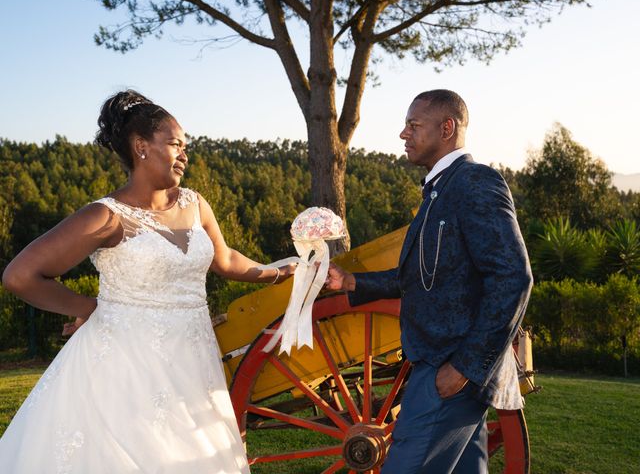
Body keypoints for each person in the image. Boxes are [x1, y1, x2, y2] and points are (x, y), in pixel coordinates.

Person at [0, 89, 294, 473]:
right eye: (175, 144)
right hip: (124, 366)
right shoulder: (106, 217)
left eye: (186, 145)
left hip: (193, 359)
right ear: (141, 147)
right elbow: (21, 276)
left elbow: (224, 259)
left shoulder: (194, 203)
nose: (185, 154)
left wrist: (276, 272)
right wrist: (90, 308)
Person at [326, 89, 533, 473]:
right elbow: (425, 279)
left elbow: (513, 277)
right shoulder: (440, 189)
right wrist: (353, 282)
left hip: (447, 372)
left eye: (413, 125)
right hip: (440, 369)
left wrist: (466, 367)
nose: (403, 134)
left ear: (447, 128)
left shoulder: (474, 183)